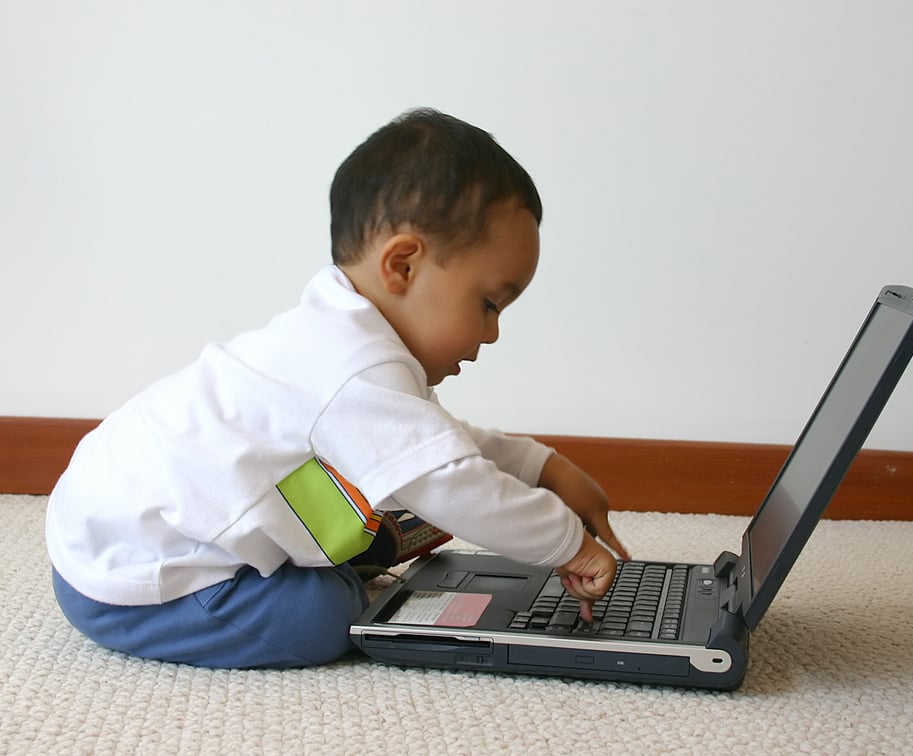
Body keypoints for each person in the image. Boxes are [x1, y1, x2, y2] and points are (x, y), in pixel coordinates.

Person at [45, 108, 630, 669]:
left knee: (372, 516)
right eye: (488, 304)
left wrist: (541, 467)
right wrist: (568, 545)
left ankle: (340, 552)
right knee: (322, 617)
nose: (493, 332)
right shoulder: (353, 372)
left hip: (122, 522)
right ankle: (327, 573)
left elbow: (436, 443)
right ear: (402, 266)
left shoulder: (344, 339)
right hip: (139, 571)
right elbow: (450, 481)